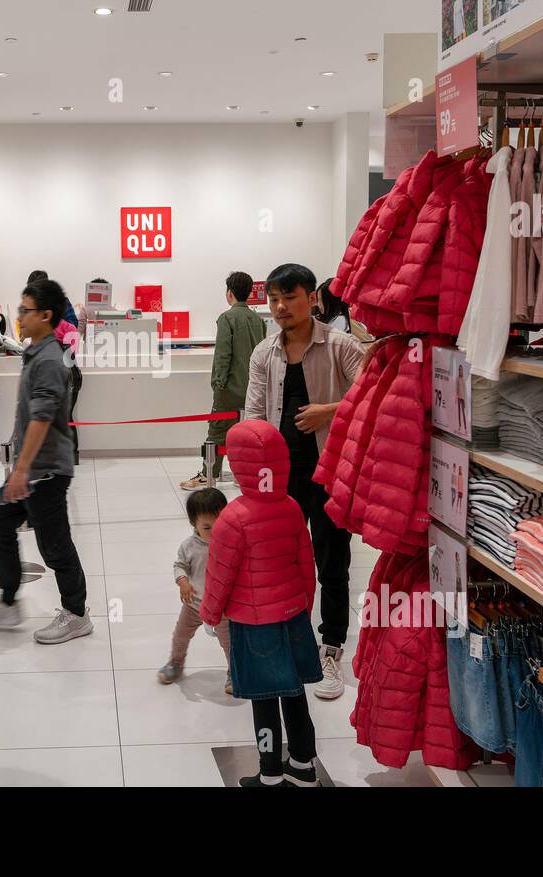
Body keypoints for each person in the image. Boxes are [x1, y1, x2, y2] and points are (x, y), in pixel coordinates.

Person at [244, 263, 363, 701]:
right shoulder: (264, 353)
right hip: (279, 476)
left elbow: (373, 397)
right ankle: (289, 643)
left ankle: (330, 648)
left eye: (289, 297)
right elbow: (254, 414)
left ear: (312, 297)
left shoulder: (340, 345)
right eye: (273, 299)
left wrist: (327, 411)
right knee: (282, 561)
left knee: (332, 560)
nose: (279, 307)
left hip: (330, 471)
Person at [0, 278, 92, 644]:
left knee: (55, 546)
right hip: (30, 469)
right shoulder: (36, 351)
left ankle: (77, 613)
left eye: (26, 310)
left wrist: (21, 471)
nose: (19, 316)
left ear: (46, 315)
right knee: (0, 524)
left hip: (46, 472)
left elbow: (40, 418)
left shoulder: (51, 359)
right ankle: (8, 603)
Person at [199, 419, 321, 787]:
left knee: (264, 699)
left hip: (254, 627)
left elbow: (220, 575)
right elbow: (306, 564)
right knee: (295, 693)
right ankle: (303, 766)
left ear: (239, 465)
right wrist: (303, 607)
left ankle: (269, 773)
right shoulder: (292, 508)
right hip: (293, 618)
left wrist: (210, 613)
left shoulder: (232, 520)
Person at [181, 271, 266, 489]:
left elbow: (223, 354)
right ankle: (243, 473)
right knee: (247, 432)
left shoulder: (227, 318)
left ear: (229, 293)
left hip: (229, 388)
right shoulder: (258, 320)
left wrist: (218, 384)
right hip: (253, 388)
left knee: (217, 431)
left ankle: (209, 473)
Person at [158, 487, 233, 693]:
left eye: (220, 524)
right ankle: (176, 663)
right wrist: (183, 582)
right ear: (194, 524)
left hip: (224, 607)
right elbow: (179, 565)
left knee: (229, 644)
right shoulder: (189, 546)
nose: (215, 531)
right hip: (194, 604)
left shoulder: (232, 543)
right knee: (180, 635)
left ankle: (234, 672)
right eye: (207, 527)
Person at [26, 269, 83, 464]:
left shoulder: (55, 311)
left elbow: (72, 332)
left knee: (61, 415)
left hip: (63, 370)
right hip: (60, 368)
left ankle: (66, 455)